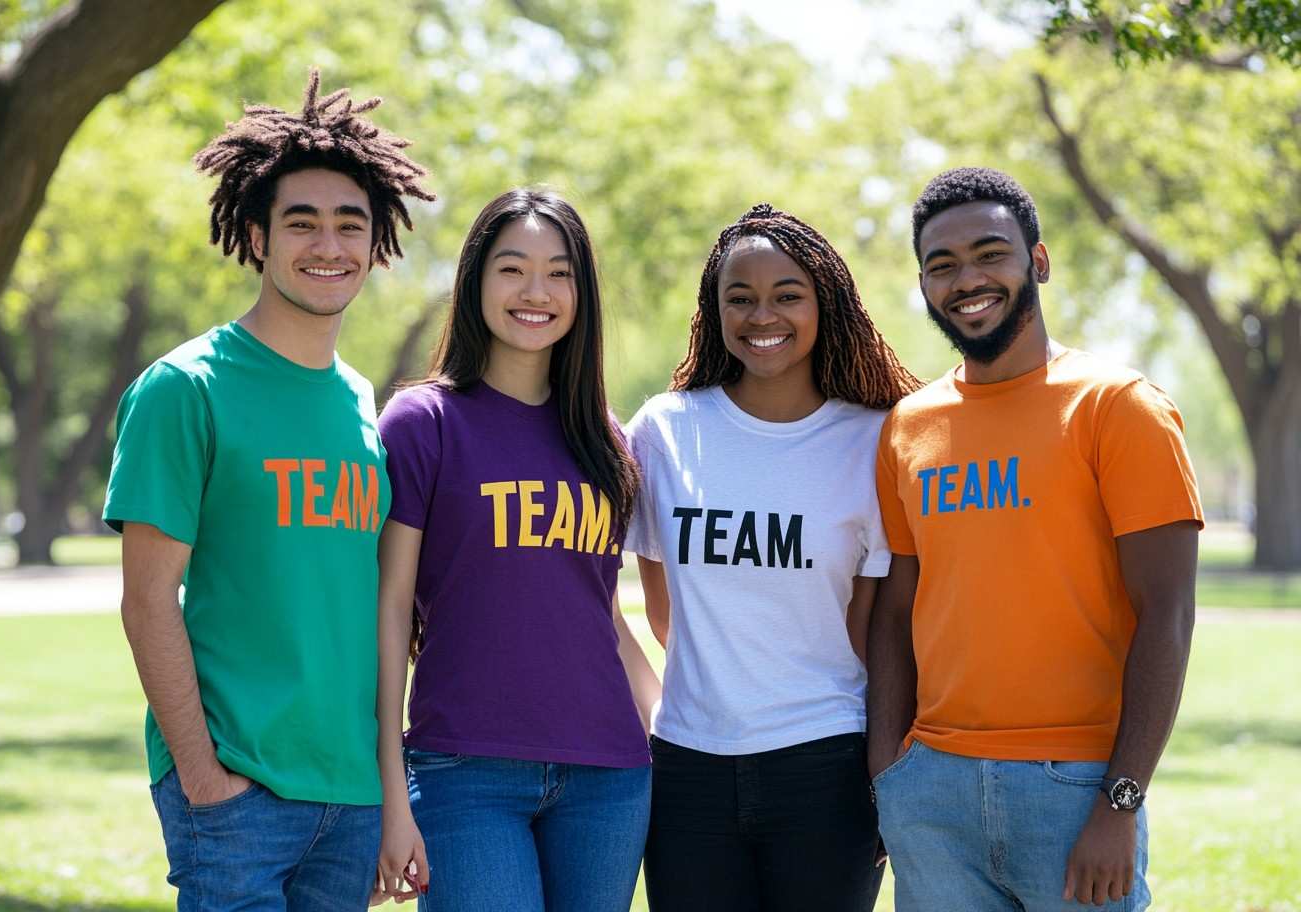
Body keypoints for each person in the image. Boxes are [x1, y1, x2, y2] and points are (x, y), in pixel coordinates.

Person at [103, 70, 432, 910]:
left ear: (376, 243)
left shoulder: (364, 405)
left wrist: (385, 792)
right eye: (302, 223)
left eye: (349, 225)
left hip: (351, 797)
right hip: (238, 794)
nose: (329, 245)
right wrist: (205, 779)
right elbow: (148, 600)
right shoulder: (185, 388)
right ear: (256, 236)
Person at [868, 166, 1203, 911]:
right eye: (942, 265)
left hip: (1075, 786)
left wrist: (1120, 801)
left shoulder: (1119, 408)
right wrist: (887, 774)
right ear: (924, 285)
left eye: (991, 254)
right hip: (933, 789)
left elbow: (1169, 615)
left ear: (1038, 263)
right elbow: (896, 610)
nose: (968, 279)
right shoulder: (908, 426)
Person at [627, 203, 922, 911]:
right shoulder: (665, 432)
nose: (764, 315)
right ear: (714, 308)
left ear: (827, 305)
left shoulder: (875, 442)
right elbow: (667, 615)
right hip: (687, 770)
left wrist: (882, 771)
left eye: (788, 295)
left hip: (826, 767)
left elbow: (874, 629)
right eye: (741, 298)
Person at [374, 188, 660, 911]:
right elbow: (387, 612)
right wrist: (388, 792)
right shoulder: (423, 421)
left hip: (610, 774)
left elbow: (604, 614)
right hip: (465, 771)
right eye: (512, 269)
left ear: (581, 292)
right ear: (474, 282)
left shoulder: (606, 439)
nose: (536, 292)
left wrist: (668, 735)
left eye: (559, 273)